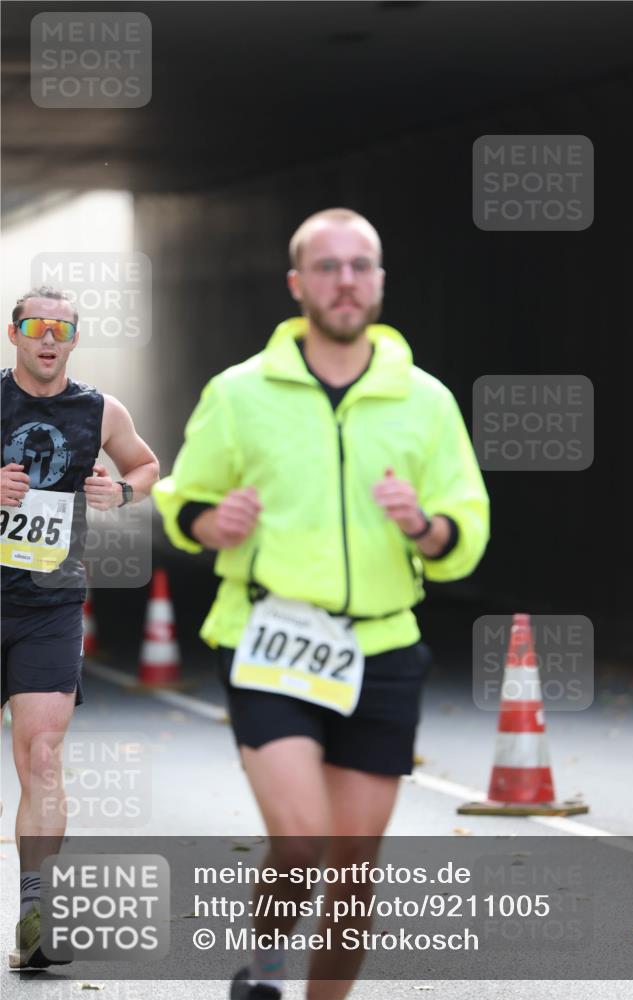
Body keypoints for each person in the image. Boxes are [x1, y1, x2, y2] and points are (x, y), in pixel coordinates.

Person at [153, 208, 489, 1000]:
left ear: (379, 280)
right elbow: (180, 499)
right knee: (303, 844)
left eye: (361, 265)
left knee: (352, 870)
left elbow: (464, 525)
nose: (346, 281)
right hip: (270, 640)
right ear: (298, 283)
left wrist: (424, 524)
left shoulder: (425, 400)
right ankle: (266, 968)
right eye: (329, 266)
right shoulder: (238, 394)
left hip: (382, 650)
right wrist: (208, 519)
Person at [1, 285, 159, 969]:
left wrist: (121, 492)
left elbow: (148, 465)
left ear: (72, 339)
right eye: (36, 325)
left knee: (41, 759)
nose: (49, 338)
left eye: (62, 329)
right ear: (13, 334)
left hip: (50, 605)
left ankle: (37, 915)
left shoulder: (100, 410)